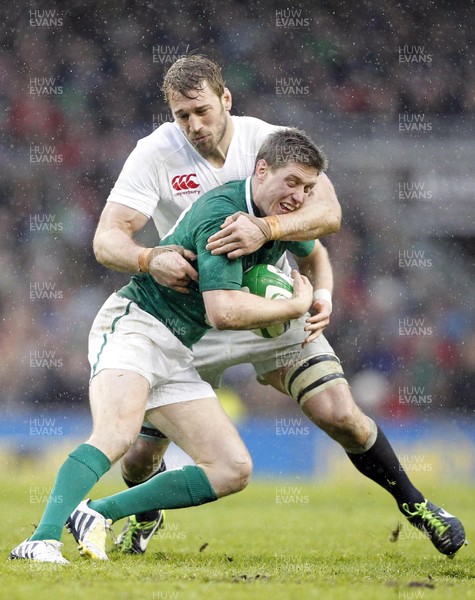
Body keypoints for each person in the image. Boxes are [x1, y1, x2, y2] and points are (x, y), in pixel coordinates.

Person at [93, 55, 465, 558]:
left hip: (272, 305)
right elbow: (106, 239)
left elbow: (328, 214)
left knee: (341, 414)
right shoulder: (155, 153)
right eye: (182, 116)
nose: (193, 125)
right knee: (139, 457)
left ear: (226, 99)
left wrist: (270, 236)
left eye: (202, 110)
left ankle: (418, 507)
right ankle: (145, 508)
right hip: (188, 318)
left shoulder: (266, 142)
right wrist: (146, 256)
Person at [10, 128, 328, 564]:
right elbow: (223, 313)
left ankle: (95, 513)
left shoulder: (275, 220)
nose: (299, 196)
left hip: (178, 347)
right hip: (136, 326)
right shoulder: (226, 216)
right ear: (261, 170)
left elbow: (315, 252)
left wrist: (322, 296)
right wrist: (293, 306)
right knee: (118, 433)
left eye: (308, 188)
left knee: (232, 469)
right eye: (291, 182)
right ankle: (41, 541)